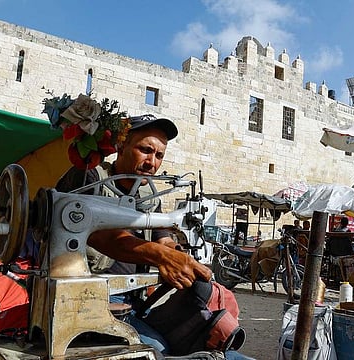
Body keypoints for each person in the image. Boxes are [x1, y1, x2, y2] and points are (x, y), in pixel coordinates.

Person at [56, 114, 250, 359]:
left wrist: (177, 255)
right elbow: (100, 236)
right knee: (158, 350)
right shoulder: (90, 177)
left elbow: (163, 236)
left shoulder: (149, 193)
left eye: (159, 155)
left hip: (136, 300)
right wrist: (161, 256)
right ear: (121, 146)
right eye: (145, 150)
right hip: (89, 299)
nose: (152, 162)